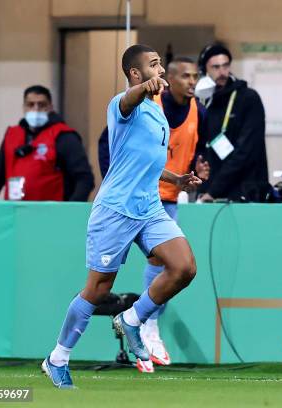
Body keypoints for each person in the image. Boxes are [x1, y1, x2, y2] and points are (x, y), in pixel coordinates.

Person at [42, 44, 201, 388]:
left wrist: (176, 178)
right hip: (115, 210)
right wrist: (144, 88)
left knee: (184, 267)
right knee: (97, 289)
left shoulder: (158, 113)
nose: (160, 70)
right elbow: (130, 99)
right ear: (135, 73)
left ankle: (132, 319)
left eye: (160, 64)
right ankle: (57, 358)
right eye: (154, 65)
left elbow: (147, 161)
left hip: (149, 208)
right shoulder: (122, 105)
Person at [98, 57, 209, 369]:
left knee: (175, 264)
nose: (191, 81)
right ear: (167, 78)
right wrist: (115, 182)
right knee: (99, 283)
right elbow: (108, 140)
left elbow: (203, 148)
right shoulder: (144, 99)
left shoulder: (199, 111)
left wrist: (199, 167)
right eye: (184, 75)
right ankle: (61, 354)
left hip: (165, 196)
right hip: (129, 199)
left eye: (195, 76)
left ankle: (145, 323)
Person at [0, 85, 94, 201]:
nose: (36, 109)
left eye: (41, 105)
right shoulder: (12, 135)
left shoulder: (64, 136)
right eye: (30, 104)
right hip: (15, 212)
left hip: (51, 213)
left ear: (50, 107)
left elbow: (84, 179)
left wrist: (70, 211)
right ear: (24, 107)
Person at [196, 43, 269, 202]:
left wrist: (214, 191)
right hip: (208, 189)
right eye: (215, 67)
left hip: (244, 190)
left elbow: (245, 151)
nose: (222, 72)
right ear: (204, 71)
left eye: (225, 66)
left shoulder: (248, 98)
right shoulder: (201, 101)